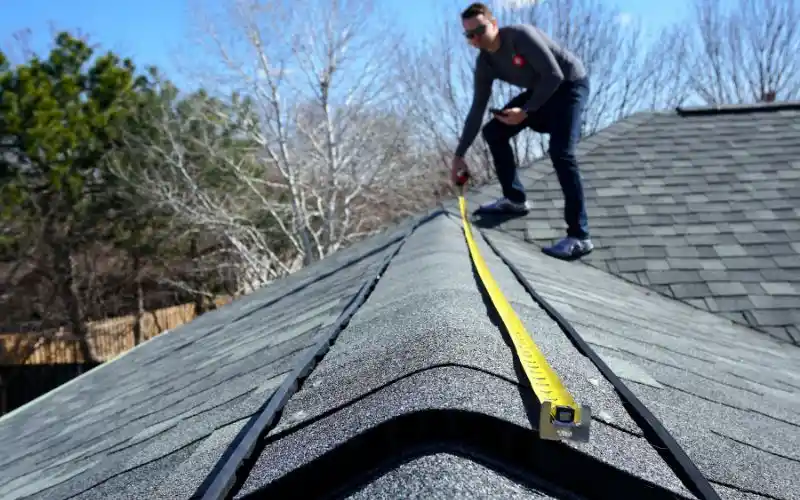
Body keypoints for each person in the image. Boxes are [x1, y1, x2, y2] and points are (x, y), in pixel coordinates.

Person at [451, 2, 593, 260]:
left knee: (561, 153)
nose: (475, 39)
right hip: (539, 93)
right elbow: (477, 108)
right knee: (493, 132)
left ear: (494, 24)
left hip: (569, 86)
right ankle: (514, 200)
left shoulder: (520, 36)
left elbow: (553, 75)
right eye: (469, 35)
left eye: (480, 30)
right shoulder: (485, 63)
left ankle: (579, 237)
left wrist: (526, 111)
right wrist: (459, 154)